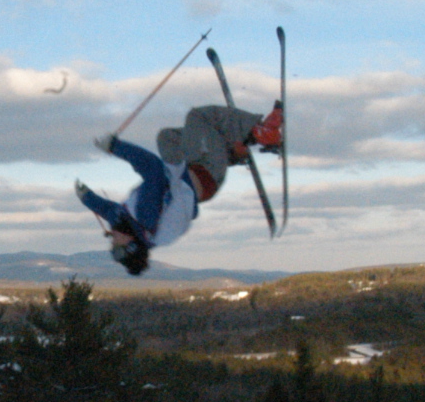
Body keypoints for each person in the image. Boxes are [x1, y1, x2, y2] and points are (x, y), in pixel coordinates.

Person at [75, 101, 283, 274]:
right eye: (117, 251)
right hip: (207, 171)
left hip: (189, 172)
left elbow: (109, 211)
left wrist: (86, 197)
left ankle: (232, 151)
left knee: (167, 138)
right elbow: (152, 169)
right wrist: (116, 147)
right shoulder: (145, 216)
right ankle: (261, 133)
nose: (112, 246)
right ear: (131, 245)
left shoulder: (128, 224)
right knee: (198, 118)